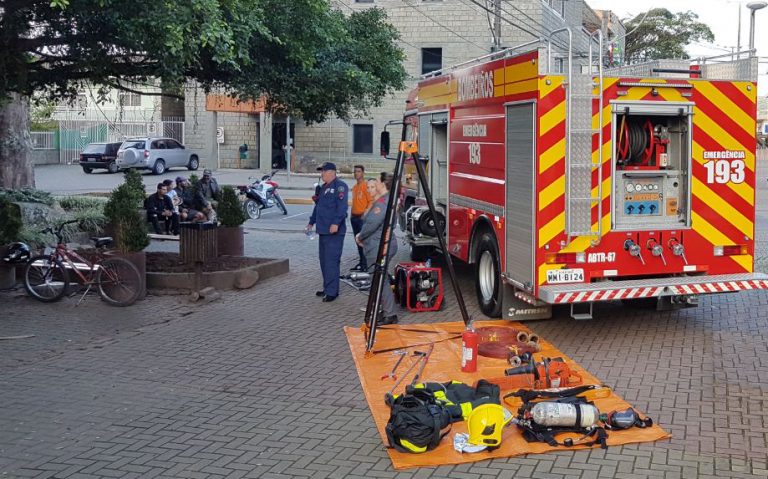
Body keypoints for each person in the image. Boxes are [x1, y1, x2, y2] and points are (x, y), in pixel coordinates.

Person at [356, 172, 399, 324]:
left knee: (379, 279)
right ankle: (385, 310)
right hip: (381, 244)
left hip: (378, 245)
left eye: (378, 182)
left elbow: (372, 224)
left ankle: (390, 313)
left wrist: (360, 236)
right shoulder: (387, 200)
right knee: (380, 278)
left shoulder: (382, 202)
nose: (376, 184)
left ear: (383, 184)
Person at [307, 162, 348, 302]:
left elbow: (342, 208)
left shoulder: (340, 186)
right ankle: (327, 287)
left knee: (331, 261)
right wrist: (311, 222)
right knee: (324, 261)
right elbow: (318, 207)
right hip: (323, 230)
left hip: (334, 231)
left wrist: (336, 223)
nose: (321, 174)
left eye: (323, 171)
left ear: (332, 172)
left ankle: (332, 292)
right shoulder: (323, 188)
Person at [349, 165, 373, 272]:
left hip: (362, 218)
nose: (356, 173)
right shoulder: (355, 187)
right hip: (354, 217)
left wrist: (365, 213)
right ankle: (361, 262)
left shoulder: (365, 186)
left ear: (363, 173)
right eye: (355, 171)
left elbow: (371, 201)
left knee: (363, 241)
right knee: (357, 241)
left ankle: (366, 264)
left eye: (358, 171)